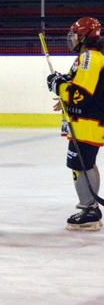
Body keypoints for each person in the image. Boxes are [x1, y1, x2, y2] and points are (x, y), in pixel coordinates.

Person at [46, 17, 104, 231]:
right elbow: (77, 86)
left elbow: (80, 94)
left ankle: (90, 211)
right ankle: (91, 208)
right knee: (83, 164)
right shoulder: (87, 57)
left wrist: (58, 86)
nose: (71, 39)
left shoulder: (90, 57)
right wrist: (63, 90)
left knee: (81, 165)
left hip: (88, 123)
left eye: (74, 34)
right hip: (85, 121)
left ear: (85, 36)